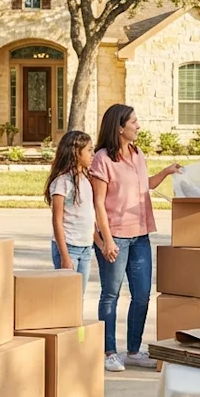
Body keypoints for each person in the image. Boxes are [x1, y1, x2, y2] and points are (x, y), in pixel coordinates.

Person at [89, 104, 182, 373]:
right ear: (119, 127)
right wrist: (106, 241)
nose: (138, 125)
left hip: (141, 235)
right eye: (134, 121)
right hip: (116, 235)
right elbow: (98, 203)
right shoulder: (102, 159)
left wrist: (165, 172)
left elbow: (145, 185)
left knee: (142, 295)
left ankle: (132, 350)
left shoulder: (138, 154)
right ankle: (108, 352)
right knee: (111, 294)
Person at [45, 131, 98, 305]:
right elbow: (57, 221)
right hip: (69, 248)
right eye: (89, 150)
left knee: (78, 299)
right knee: (67, 300)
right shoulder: (62, 182)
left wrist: (100, 242)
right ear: (76, 153)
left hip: (85, 248)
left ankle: (75, 332)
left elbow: (89, 216)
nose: (93, 154)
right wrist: (65, 257)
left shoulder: (86, 178)